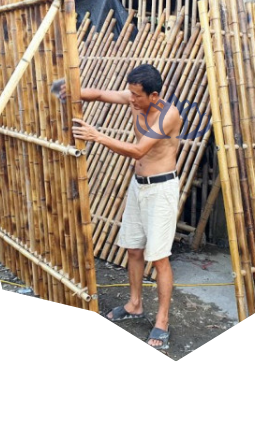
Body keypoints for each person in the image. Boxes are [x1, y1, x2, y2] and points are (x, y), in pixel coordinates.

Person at [59, 64, 182, 351]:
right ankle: (135, 304)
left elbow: (139, 150)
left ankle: (162, 321)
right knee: (133, 249)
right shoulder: (135, 99)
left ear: (153, 95)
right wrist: (72, 91)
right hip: (139, 185)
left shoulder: (168, 114)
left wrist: (98, 136)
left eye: (137, 95)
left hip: (161, 190)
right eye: (130, 93)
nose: (131, 99)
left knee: (159, 259)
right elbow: (101, 94)